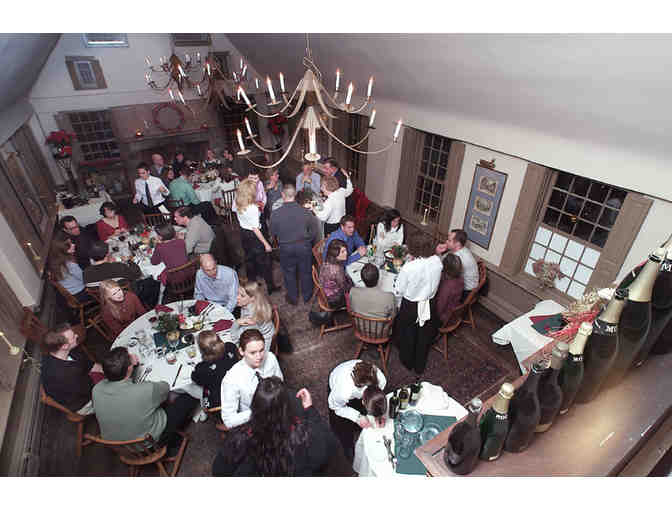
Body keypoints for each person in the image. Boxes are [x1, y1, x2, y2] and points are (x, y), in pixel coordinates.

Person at [213, 376, 350, 476]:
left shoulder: (240, 437)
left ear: (255, 406)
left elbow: (219, 470)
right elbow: (325, 453)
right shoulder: (305, 435)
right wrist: (310, 411)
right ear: (287, 407)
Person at [92, 347, 199, 452]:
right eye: (129, 356)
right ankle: (172, 439)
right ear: (129, 368)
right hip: (149, 444)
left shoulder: (96, 389)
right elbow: (166, 388)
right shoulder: (144, 390)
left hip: (121, 447)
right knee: (188, 395)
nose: (132, 355)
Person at [392, 241, 449, 374]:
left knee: (408, 333)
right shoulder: (437, 262)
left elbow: (399, 290)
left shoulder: (409, 267)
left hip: (411, 306)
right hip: (430, 303)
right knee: (423, 335)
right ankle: (419, 364)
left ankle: (407, 361)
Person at [220, 329, 283, 429]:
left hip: (278, 412)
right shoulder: (231, 380)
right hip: (254, 422)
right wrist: (257, 412)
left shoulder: (270, 358)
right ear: (241, 351)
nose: (259, 357)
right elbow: (229, 420)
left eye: (261, 350)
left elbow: (280, 383)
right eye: (253, 353)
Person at [327, 359, 387, 461]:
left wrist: (378, 417)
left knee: (359, 422)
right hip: (338, 381)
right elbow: (334, 406)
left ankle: (357, 428)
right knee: (342, 426)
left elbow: (377, 402)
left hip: (357, 389)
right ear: (362, 402)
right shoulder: (343, 392)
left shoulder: (382, 380)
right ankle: (347, 446)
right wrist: (357, 417)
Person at [41, 323, 103, 415]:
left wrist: (104, 369)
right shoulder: (67, 374)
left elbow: (88, 364)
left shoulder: (59, 353)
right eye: (73, 337)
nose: (77, 335)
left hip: (82, 385)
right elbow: (89, 389)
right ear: (64, 346)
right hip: (83, 403)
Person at [270, 184, 316, 305]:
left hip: (285, 247)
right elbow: (314, 230)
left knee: (289, 273)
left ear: (282, 195)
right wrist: (307, 240)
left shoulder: (275, 213)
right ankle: (307, 296)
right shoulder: (306, 211)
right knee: (306, 272)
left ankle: (293, 298)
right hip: (304, 246)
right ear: (295, 195)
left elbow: (272, 233)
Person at [83, 241, 160, 308]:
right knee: (153, 280)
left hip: (105, 301)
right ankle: (150, 306)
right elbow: (137, 274)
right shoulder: (117, 267)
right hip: (126, 296)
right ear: (107, 255)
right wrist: (129, 261)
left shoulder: (85, 272)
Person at [233, 179, 277, 294]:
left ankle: (252, 283)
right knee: (265, 262)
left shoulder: (237, 201)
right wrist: (266, 244)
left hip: (244, 233)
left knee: (249, 260)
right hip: (254, 236)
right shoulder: (252, 208)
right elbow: (255, 229)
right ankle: (270, 287)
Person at [191, 330, 239, 409]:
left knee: (193, 389)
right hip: (239, 387)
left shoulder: (202, 368)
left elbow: (195, 379)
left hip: (221, 401)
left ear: (201, 350)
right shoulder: (230, 346)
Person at [230, 281, 275, 352]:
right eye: (237, 293)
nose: (237, 297)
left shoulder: (252, 317)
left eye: (242, 296)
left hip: (261, 345)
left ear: (252, 298)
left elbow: (236, 338)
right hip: (260, 333)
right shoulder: (253, 304)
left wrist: (237, 322)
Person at [48, 236, 92, 303]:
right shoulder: (69, 265)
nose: (73, 245)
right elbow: (85, 278)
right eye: (69, 246)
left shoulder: (54, 262)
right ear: (63, 252)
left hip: (71, 294)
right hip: (81, 293)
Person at [319, 239, 353, 309]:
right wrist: (352, 284)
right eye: (343, 252)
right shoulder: (337, 270)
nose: (346, 253)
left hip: (326, 292)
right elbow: (344, 288)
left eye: (345, 250)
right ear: (335, 254)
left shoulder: (328, 260)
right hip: (334, 299)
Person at [446, 228, 479, 301]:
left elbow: (446, 274)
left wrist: (438, 253)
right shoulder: (463, 249)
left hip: (466, 292)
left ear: (458, 244)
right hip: (470, 286)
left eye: (449, 240)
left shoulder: (458, 258)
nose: (446, 242)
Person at [436, 253, 464, 325]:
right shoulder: (460, 279)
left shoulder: (447, 287)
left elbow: (439, 309)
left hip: (444, 316)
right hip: (452, 310)